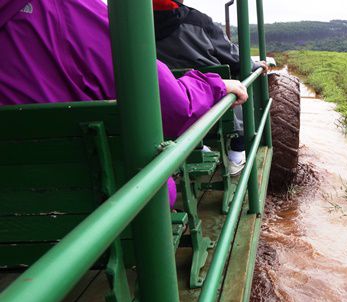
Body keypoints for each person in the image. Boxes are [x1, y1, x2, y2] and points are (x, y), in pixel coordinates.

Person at [0, 0, 248, 207]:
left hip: (12, 218)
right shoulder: (68, 10)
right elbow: (170, 106)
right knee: (151, 179)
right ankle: (237, 153)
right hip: (99, 210)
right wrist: (213, 86)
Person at [152, 0, 268, 176]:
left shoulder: (128, 26)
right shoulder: (198, 21)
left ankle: (197, 147)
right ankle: (236, 154)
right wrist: (254, 65)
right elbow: (234, 58)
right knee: (240, 92)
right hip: (212, 109)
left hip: (163, 114)